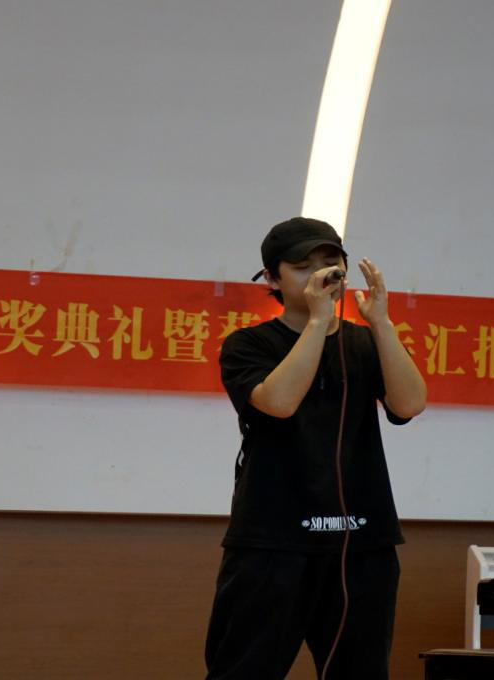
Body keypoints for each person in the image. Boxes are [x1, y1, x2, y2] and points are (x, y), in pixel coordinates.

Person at [204, 217, 427, 680]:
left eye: (331, 263)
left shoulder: (365, 342)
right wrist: (318, 320)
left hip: (361, 544)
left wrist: (381, 323)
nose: (322, 275)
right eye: (303, 266)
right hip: (271, 543)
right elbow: (279, 403)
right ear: (272, 278)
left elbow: (409, 404)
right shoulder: (249, 344)